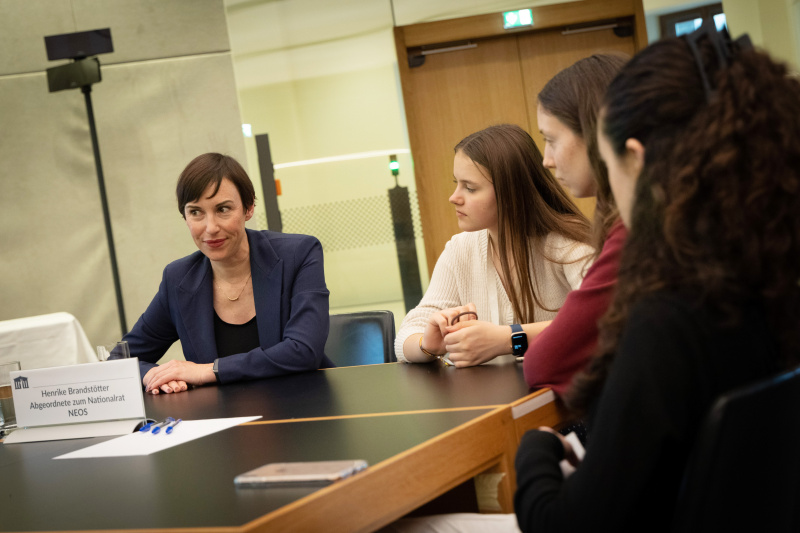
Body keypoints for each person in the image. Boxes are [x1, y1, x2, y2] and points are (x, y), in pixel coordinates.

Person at [515, 25, 800, 531]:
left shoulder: (668, 319)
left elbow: (565, 524)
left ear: (637, 159)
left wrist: (535, 450)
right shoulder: (768, 282)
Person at [119, 153, 333, 394]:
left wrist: (208, 371)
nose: (210, 228)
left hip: (304, 409)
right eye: (196, 212)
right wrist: (156, 375)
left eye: (223, 209)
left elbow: (304, 351)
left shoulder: (299, 254)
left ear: (249, 208)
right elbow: (121, 360)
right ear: (185, 217)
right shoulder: (178, 279)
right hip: (223, 420)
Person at [394, 124, 593, 367]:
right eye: (456, 183)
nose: (454, 197)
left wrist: (507, 339)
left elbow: (599, 322)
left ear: (511, 192)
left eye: (470, 187)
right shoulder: (460, 249)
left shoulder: (569, 245)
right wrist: (427, 344)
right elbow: (407, 332)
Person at [524, 54, 629, 397]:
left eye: (551, 139)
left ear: (597, 135)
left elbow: (544, 364)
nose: (547, 159)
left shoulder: (634, 233)